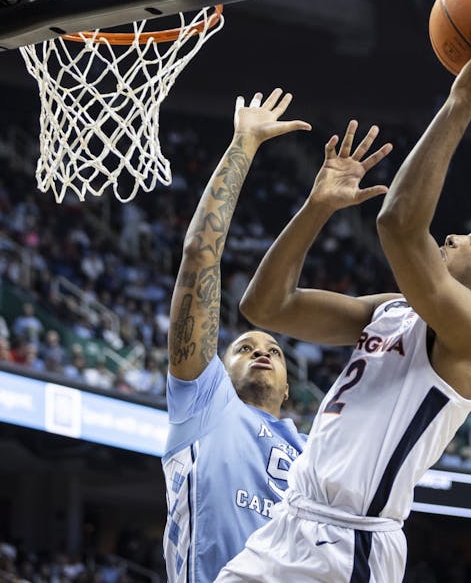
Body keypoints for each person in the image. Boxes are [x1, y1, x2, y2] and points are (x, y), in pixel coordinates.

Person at [218, 18, 471, 581]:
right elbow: (267, 307)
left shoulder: (470, 334)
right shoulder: (394, 310)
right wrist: (318, 208)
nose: (455, 237)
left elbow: (400, 223)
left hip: (348, 546)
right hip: (288, 524)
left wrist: (462, 98)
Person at [162, 89, 313, 583]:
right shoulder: (205, 403)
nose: (261, 352)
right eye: (244, 347)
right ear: (217, 371)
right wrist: (244, 144)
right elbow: (199, 258)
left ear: (289, 388)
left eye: (273, 350)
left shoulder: (314, 451)